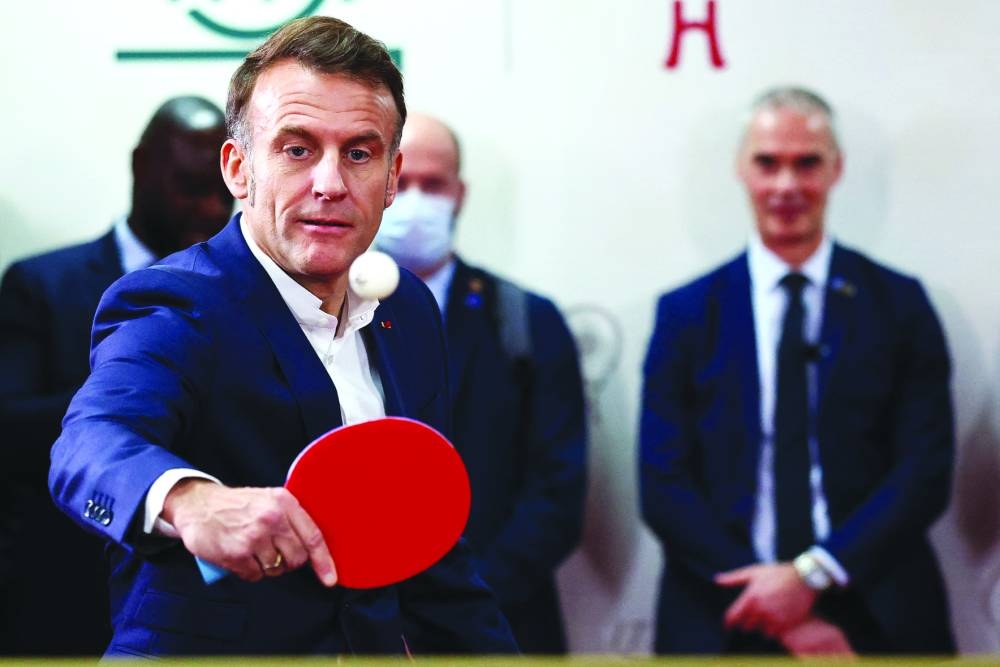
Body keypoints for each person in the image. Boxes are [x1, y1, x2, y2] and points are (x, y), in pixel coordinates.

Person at [46, 17, 516, 657]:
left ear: (389, 176)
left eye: (359, 152)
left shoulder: (407, 308)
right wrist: (189, 501)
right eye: (297, 149)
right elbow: (91, 442)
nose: (330, 183)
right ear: (238, 169)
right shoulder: (179, 301)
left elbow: (428, 548)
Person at [639, 87, 954, 656]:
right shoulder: (686, 313)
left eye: (806, 163)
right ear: (742, 169)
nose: (786, 185)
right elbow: (663, 484)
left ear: (837, 169)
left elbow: (925, 469)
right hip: (722, 609)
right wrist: (775, 603)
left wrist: (812, 575)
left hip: (873, 609)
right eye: (768, 163)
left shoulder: (900, 306)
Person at [0, 95, 231, 656]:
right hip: (61, 586)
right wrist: (140, 393)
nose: (207, 210)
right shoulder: (42, 285)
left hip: (202, 605)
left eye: (221, 194)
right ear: (140, 166)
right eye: (189, 186)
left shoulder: (240, 296)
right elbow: (11, 426)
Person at [374, 113, 587, 653]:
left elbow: (556, 493)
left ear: (460, 193)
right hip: (363, 624)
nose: (418, 201)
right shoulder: (322, 315)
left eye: (435, 184)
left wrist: (457, 603)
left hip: (502, 623)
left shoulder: (524, 320)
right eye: (403, 182)